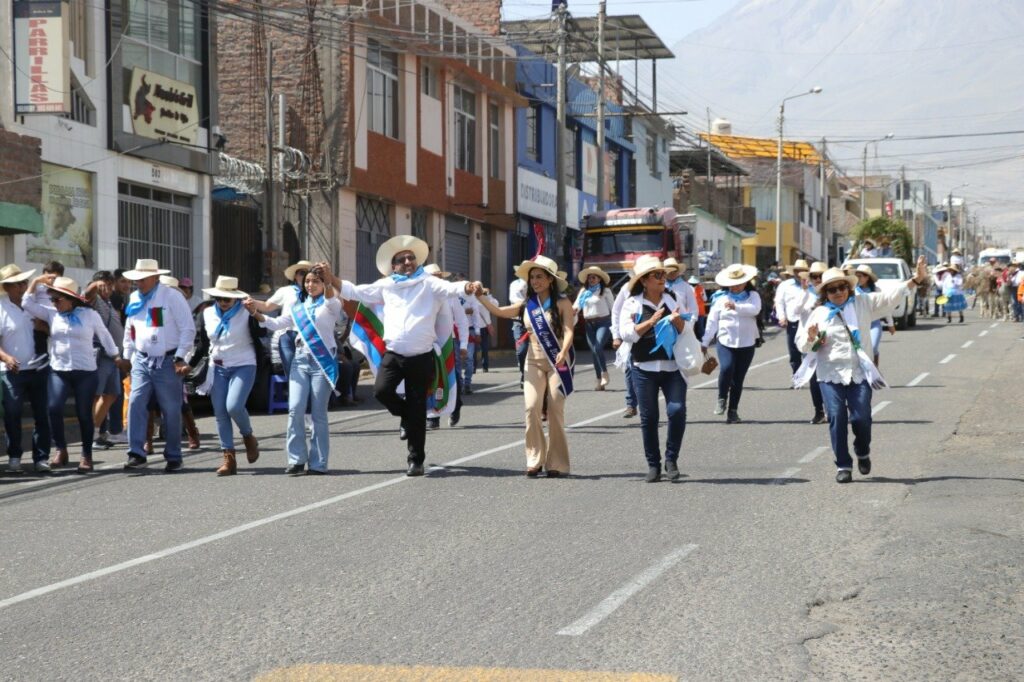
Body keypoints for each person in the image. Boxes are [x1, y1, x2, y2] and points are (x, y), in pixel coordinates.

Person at [337, 236, 482, 477]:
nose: (408, 261)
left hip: (421, 356)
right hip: (394, 355)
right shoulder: (386, 286)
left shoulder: (428, 283)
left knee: (417, 405)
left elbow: (452, 288)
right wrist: (331, 278)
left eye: (411, 257)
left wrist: (468, 287)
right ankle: (407, 417)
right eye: (401, 259)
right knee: (381, 391)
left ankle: (416, 460)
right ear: (393, 266)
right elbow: (354, 291)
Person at [797, 258, 928, 483]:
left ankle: (862, 451)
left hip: (859, 373)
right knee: (836, 417)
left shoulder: (863, 303)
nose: (837, 292)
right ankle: (843, 465)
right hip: (830, 375)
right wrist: (812, 339)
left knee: (862, 418)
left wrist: (916, 279)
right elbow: (803, 344)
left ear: (848, 288)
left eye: (841, 287)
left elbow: (889, 296)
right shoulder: (818, 314)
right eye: (832, 290)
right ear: (825, 293)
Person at [476, 255, 575, 477]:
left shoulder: (562, 303)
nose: (535, 281)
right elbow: (499, 311)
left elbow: (569, 330)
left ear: (551, 280)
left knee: (556, 409)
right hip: (533, 361)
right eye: (532, 278)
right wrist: (480, 297)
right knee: (532, 408)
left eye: (540, 277)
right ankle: (534, 459)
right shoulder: (527, 306)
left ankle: (557, 463)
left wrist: (563, 350)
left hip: (557, 360)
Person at [247, 265, 340, 475]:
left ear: (322, 283)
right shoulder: (299, 308)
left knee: (318, 414)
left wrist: (327, 281)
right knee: (295, 409)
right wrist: (255, 312)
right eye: (307, 281)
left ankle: (318, 463)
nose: (310, 285)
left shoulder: (331, 304)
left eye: (315, 281)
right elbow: (276, 322)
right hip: (300, 359)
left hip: (321, 362)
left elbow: (332, 300)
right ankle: (296, 460)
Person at [24, 274, 120, 474]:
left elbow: (104, 335)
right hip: (59, 370)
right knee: (53, 408)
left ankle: (86, 455)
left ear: (71, 299)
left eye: (57, 299)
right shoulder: (52, 313)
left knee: (84, 414)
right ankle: (61, 449)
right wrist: (35, 282)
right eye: (52, 299)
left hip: (85, 371)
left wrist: (115, 356)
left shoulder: (89, 315)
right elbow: (27, 303)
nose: (54, 303)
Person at [617, 256, 690, 483]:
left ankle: (671, 460)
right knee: (649, 418)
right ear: (645, 280)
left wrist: (678, 321)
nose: (662, 278)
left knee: (677, 411)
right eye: (657, 275)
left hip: (673, 367)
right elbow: (627, 333)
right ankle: (653, 465)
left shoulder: (674, 297)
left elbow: (686, 328)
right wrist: (652, 321)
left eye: (663, 274)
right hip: (643, 368)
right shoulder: (633, 303)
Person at [119, 259, 196, 472]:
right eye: (137, 280)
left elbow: (188, 329)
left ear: (155, 277)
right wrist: (128, 355)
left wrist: (181, 357)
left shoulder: (172, 297)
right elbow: (130, 329)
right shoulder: (135, 298)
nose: (139, 283)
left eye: (143, 279)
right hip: (142, 360)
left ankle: (173, 455)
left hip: (167, 360)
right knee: (135, 402)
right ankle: (136, 452)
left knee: (170, 410)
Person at [194, 276, 263, 476]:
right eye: (219, 298)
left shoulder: (245, 312)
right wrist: (185, 364)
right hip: (218, 366)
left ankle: (248, 437)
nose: (223, 303)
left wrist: (255, 312)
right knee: (220, 413)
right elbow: (202, 343)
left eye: (227, 299)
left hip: (244, 363)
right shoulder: (206, 313)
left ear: (236, 298)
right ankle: (229, 458)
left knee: (233, 406)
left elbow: (261, 332)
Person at [0, 265, 51, 474]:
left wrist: (44, 327)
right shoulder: (1, 308)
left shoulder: (33, 304)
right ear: (7, 287)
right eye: (18, 283)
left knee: (42, 413)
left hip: (38, 368)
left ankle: (41, 457)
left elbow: (53, 329)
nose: (23, 286)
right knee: (12, 413)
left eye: (24, 282)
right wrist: (6, 357)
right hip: (11, 371)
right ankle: (14, 456)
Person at [701, 264, 761, 424]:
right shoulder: (720, 299)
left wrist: (736, 306)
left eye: (739, 283)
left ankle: (733, 411)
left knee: (738, 378)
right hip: (725, 340)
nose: (736, 287)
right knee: (726, 368)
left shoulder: (753, 296)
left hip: (747, 342)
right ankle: (721, 397)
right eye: (733, 284)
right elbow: (712, 321)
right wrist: (705, 341)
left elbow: (755, 309)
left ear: (746, 282)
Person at [85, 271, 128, 448]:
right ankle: (91, 436)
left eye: (110, 285)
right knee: (96, 395)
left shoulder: (109, 302)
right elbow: (86, 295)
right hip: (101, 355)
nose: (108, 288)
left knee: (111, 394)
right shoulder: (93, 300)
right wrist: (94, 286)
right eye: (105, 285)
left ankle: (96, 433)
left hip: (114, 357)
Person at [423, 264, 469, 430]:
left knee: (452, 375)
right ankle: (432, 415)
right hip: (426, 342)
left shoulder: (450, 295)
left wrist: (463, 344)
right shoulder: (420, 295)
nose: (438, 279)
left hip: (449, 343)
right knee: (430, 377)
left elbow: (462, 320)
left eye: (440, 276)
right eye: (434, 276)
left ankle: (455, 405)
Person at [573, 266, 615, 390]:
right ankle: (599, 380)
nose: (591, 279)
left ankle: (604, 373)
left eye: (594, 277)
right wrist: (573, 310)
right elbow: (577, 305)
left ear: (599, 279)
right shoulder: (583, 292)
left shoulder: (605, 291)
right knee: (594, 352)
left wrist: (617, 325)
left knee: (597, 346)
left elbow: (613, 308)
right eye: (589, 277)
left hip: (603, 322)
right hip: (589, 324)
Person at [775, 259, 811, 386]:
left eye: (803, 271)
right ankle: (797, 377)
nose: (800, 273)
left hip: (809, 322)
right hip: (793, 321)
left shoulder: (812, 285)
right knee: (794, 352)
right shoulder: (785, 285)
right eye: (798, 271)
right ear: (794, 272)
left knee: (809, 351)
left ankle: (811, 378)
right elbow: (779, 302)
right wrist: (782, 317)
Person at [854, 265, 895, 367]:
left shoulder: (876, 290)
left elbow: (886, 307)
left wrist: (890, 324)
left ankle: (875, 369)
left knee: (873, 347)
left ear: (867, 277)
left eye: (861, 276)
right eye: (857, 276)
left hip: (874, 324)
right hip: (860, 324)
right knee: (861, 349)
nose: (858, 278)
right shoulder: (853, 291)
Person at [611, 274, 639, 418]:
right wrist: (616, 335)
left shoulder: (661, 289)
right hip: (630, 336)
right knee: (629, 368)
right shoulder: (626, 288)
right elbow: (616, 311)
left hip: (655, 338)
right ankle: (631, 404)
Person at [509, 270, 529, 386]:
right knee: (521, 351)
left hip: (536, 321)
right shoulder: (515, 284)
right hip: (519, 322)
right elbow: (515, 300)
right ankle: (524, 373)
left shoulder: (537, 282)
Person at [689, 275, 708, 341]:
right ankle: (693, 340)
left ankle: (703, 340)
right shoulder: (688, 289)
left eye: (695, 284)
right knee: (691, 327)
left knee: (700, 327)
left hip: (700, 311)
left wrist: (702, 294)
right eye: (692, 284)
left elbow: (705, 299)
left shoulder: (701, 289)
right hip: (691, 312)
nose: (694, 285)